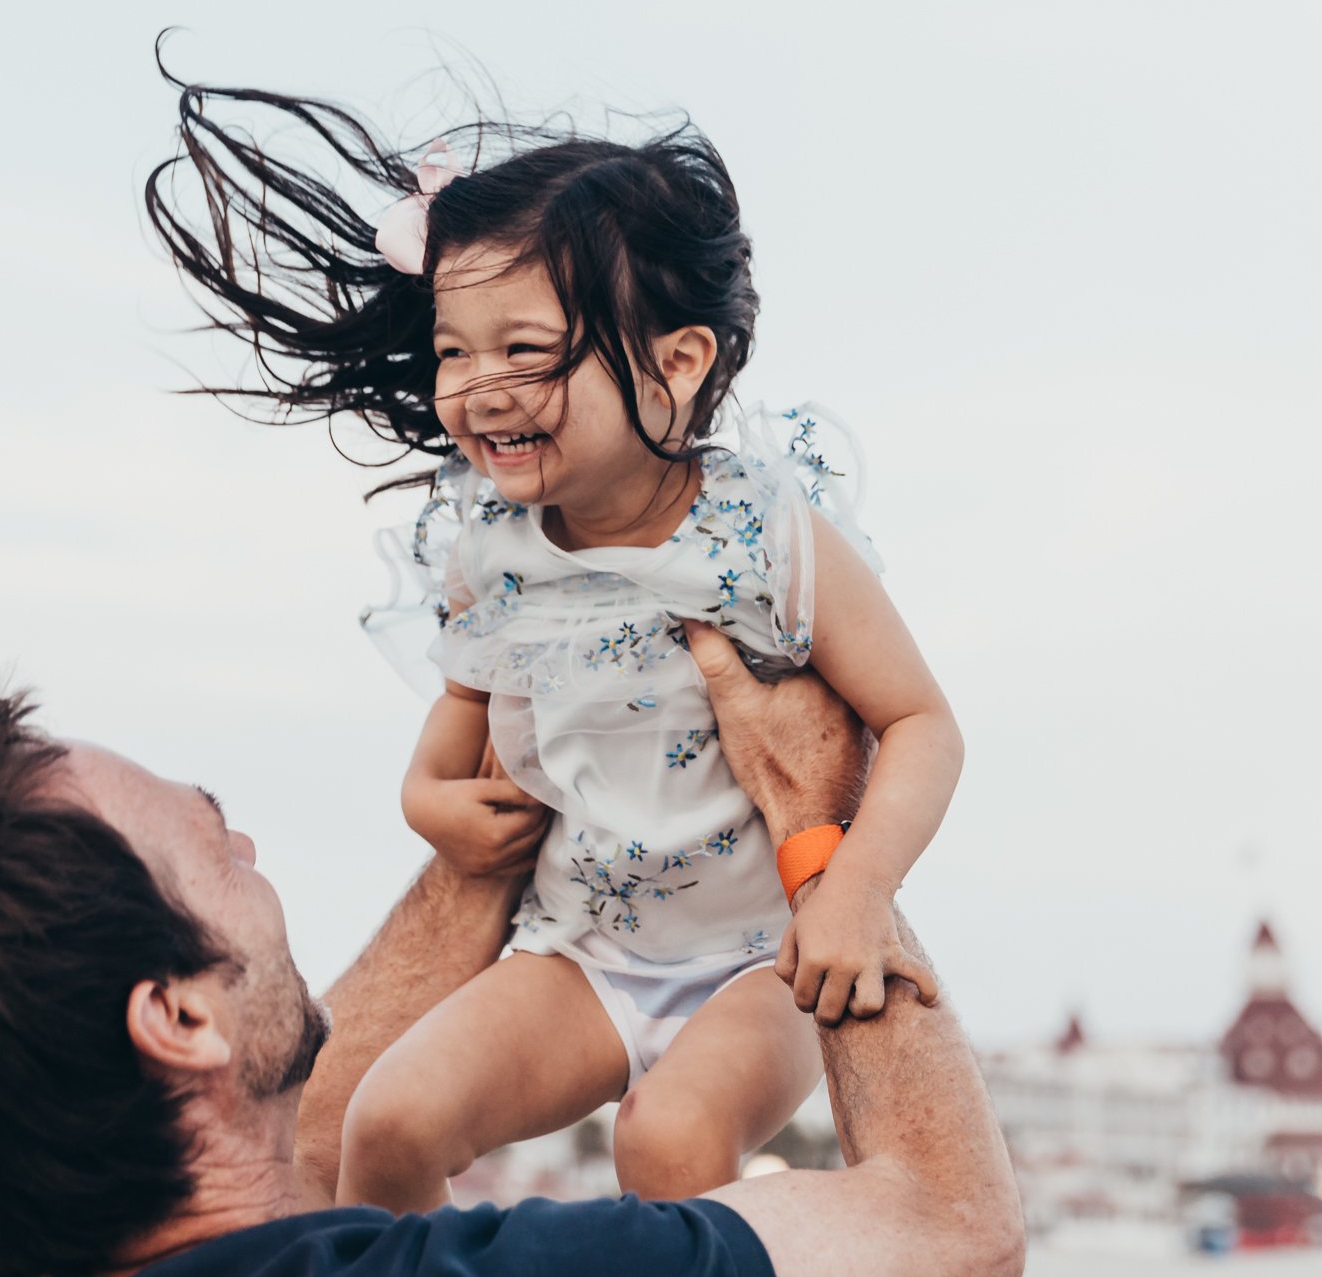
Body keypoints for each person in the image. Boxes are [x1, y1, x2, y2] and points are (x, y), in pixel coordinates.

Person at [145, 67, 965, 1205]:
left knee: (666, 1142)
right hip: (582, 953)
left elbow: (920, 723)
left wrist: (857, 892)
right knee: (386, 1120)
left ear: (677, 363)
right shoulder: (493, 546)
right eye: (452, 352)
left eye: (524, 351)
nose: (476, 387)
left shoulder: (766, 535)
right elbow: (450, 737)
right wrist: (431, 806)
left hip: (761, 958)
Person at [0, 633, 1023, 1277]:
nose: (245, 838)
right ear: (175, 1019)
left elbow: (273, 1140)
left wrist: (497, 840)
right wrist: (817, 831)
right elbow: (948, 1233)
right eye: (210, 836)